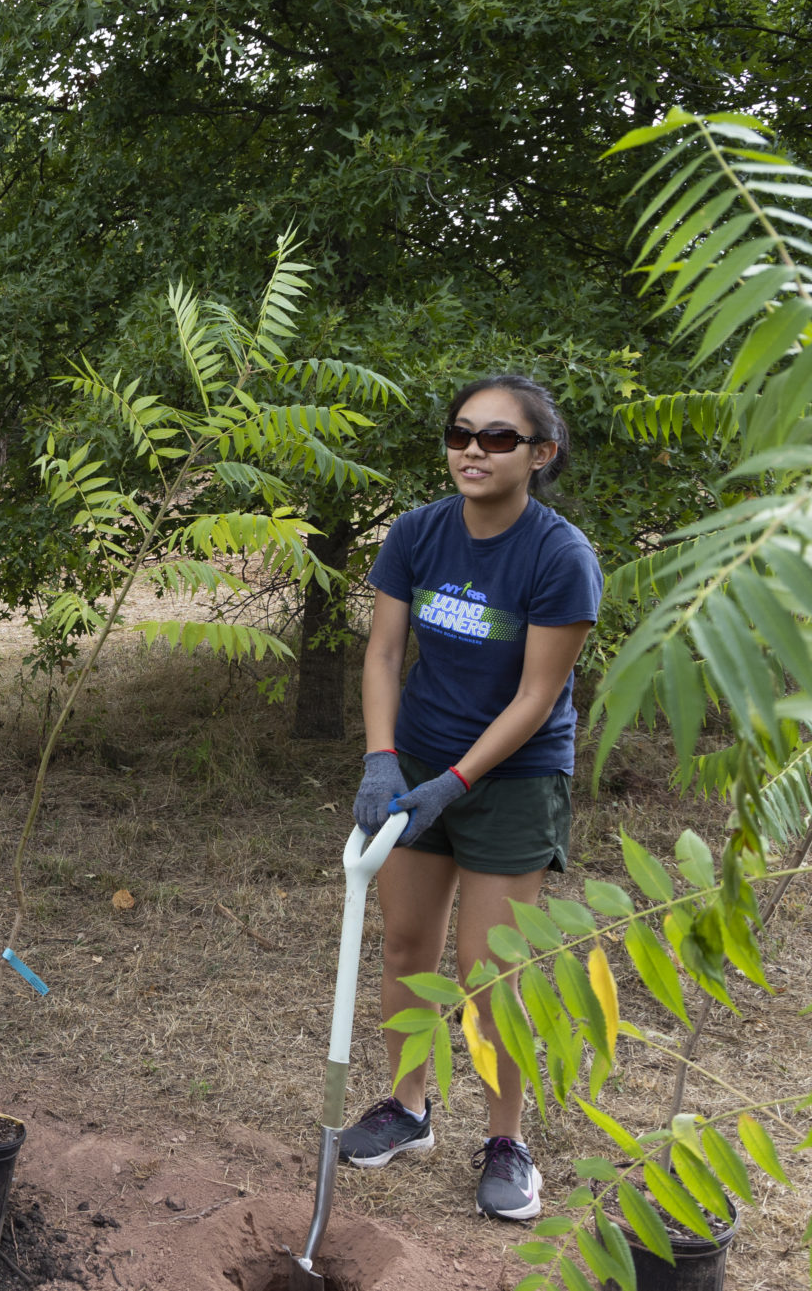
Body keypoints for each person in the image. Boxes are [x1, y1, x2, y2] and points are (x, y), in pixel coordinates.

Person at [342, 375, 602, 1222]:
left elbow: (536, 698)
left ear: (541, 454)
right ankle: (409, 1109)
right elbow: (384, 653)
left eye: (498, 438)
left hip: (513, 777)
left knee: (490, 976)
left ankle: (505, 1141)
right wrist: (384, 759)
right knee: (406, 946)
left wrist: (457, 784)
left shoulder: (560, 557)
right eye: (462, 434)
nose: (474, 452)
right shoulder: (417, 532)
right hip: (415, 763)